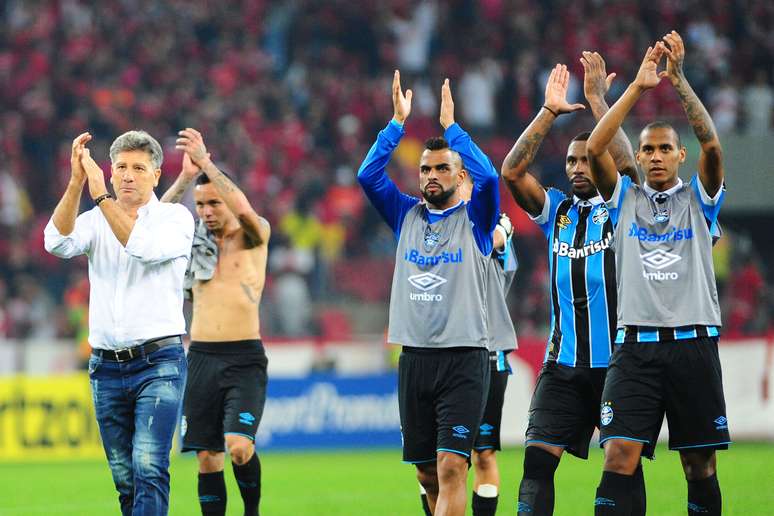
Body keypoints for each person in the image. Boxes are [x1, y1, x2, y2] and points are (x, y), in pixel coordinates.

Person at [586, 32, 729, 516]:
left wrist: (680, 80)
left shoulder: (699, 200)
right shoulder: (624, 199)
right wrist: (635, 91)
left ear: (679, 155)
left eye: (665, 148)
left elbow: (711, 142)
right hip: (635, 349)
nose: (654, 156)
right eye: (647, 150)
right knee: (618, 455)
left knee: (699, 465)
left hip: (693, 344)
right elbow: (597, 148)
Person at [500, 58, 644, 516]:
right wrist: (548, 112)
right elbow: (512, 173)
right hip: (562, 365)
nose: (579, 167)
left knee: (622, 463)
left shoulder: (624, 209)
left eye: (587, 158)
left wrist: (600, 102)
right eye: (571, 161)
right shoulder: (557, 212)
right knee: (536, 463)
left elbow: (626, 167)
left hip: (619, 362)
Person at [358, 70, 499, 516]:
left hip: (463, 358)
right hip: (415, 357)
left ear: (459, 177)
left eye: (442, 168)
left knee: (452, 466)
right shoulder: (406, 216)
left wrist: (453, 129)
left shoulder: (476, 221)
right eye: (425, 169)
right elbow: (367, 174)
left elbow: (491, 179)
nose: (432, 175)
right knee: (425, 473)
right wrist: (396, 124)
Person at [44, 130, 194, 516]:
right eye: (121, 167)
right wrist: (77, 181)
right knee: (126, 480)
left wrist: (99, 196)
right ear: (109, 172)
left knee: (149, 467)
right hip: (106, 367)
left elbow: (142, 248)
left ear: (157, 175)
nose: (128, 175)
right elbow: (55, 242)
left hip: (158, 364)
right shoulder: (95, 218)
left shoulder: (175, 219)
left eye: (139, 168)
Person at [161, 128, 271, 516]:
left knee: (239, 448)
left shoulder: (253, 236)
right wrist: (185, 179)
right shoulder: (193, 244)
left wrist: (206, 162)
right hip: (202, 357)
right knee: (207, 457)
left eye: (213, 203)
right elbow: (152, 223)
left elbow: (243, 209)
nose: (206, 211)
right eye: (201, 204)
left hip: (244, 358)